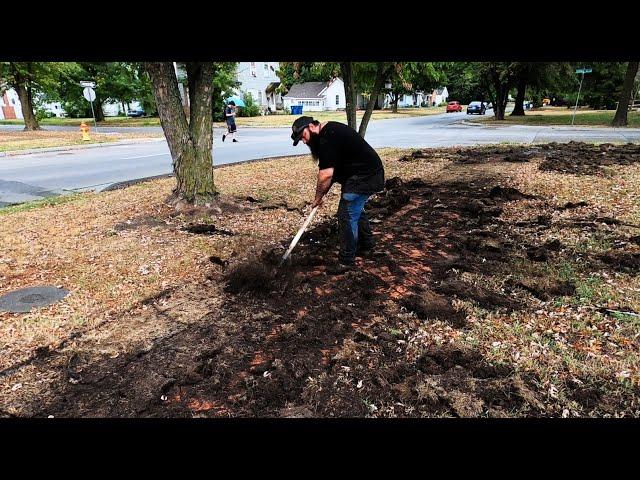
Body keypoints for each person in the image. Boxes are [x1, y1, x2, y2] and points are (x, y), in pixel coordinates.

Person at [290, 116, 385, 274]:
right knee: (355, 210)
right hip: (366, 175)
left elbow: (326, 175)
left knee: (346, 215)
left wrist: (318, 198)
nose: (304, 142)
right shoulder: (329, 133)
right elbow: (332, 174)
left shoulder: (328, 138)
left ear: (312, 127)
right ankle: (367, 246)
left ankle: (346, 261)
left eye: (303, 137)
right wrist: (321, 195)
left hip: (365, 176)